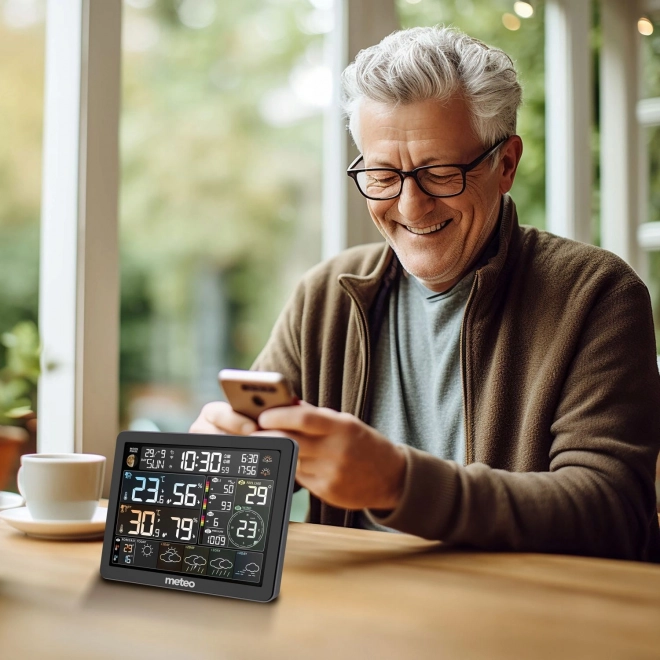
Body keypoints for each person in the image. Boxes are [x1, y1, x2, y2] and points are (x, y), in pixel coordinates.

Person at [190, 26, 660, 561]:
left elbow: (611, 512)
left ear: (505, 165)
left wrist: (399, 483)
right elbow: (236, 504)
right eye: (384, 176)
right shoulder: (325, 297)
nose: (411, 207)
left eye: (440, 173)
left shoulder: (596, 294)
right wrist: (224, 465)